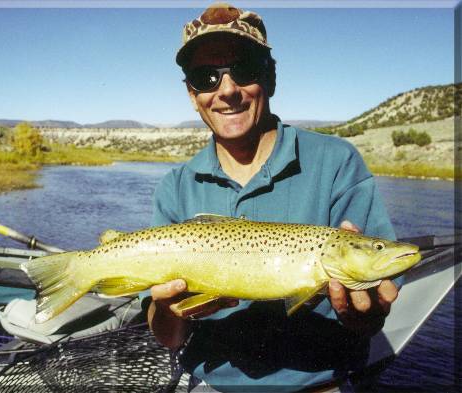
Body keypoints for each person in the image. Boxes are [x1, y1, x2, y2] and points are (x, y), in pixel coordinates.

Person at [143, 3, 401, 392]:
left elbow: (372, 313)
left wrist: (366, 315)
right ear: (192, 94)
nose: (227, 90)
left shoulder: (336, 162)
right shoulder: (175, 187)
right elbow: (170, 338)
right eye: (206, 77)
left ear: (271, 76)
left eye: (243, 69)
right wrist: (165, 308)